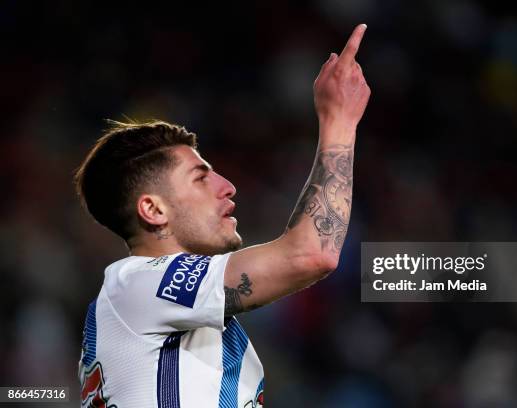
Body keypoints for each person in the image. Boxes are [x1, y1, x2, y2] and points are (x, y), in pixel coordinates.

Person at [75, 24, 370, 408]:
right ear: (153, 209)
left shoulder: (154, 309)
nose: (227, 185)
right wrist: (339, 123)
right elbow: (311, 253)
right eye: (200, 178)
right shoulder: (136, 282)